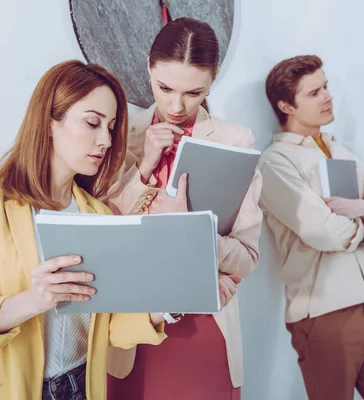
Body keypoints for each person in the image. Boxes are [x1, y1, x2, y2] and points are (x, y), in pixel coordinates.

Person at [0, 60, 168, 400]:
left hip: (81, 388)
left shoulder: (100, 215)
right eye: (92, 122)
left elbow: (108, 328)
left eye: (111, 126)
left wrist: (166, 307)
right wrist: (33, 300)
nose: (104, 139)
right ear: (49, 123)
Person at [103, 18, 263, 400]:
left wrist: (192, 232)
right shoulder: (119, 133)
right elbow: (102, 233)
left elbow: (246, 258)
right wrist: (143, 168)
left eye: (194, 92)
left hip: (205, 325)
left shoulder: (235, 142)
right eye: (164, 88)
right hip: (131, 326)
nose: (176, 105)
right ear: (149, 67)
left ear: (214, 77)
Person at [259, 54, 364, 400]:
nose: (327, 97)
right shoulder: (276, 163)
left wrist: (362, 207)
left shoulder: (339, 150)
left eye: (326, 87)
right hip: (323, 316)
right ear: (286, 105)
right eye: (314, 93)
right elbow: (323, 232)